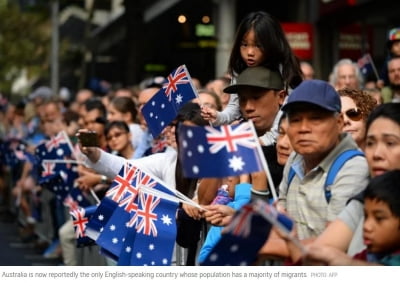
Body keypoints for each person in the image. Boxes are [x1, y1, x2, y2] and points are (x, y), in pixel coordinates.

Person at [77, 102, 209, 265]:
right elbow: (126, 169)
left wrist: (197, 202)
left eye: (178, 127)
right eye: (177, 128)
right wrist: (95, 153)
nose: (172, 131)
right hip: (173, 256)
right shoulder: (168, 160)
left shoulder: (217, 163)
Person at [277, 79, 370, 240]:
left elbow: (332, 245)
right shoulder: (295, 159)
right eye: (295, 120)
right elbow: (281, 214)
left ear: (339, 123)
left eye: (315, 119)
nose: (303, 129)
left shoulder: (355, 168)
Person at [201, 10, 302, 146]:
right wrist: (218, 117)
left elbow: (287, 108)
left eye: (258, 46)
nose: (249, 52)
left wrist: (268, 138)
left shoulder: (284, 67)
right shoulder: (239, 68)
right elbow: (234, 106)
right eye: (244, 45)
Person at [304, 169, 400, 266]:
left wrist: (349, 264)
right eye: (366, 217)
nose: (366, 226)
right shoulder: (366, 255)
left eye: (379, 218)